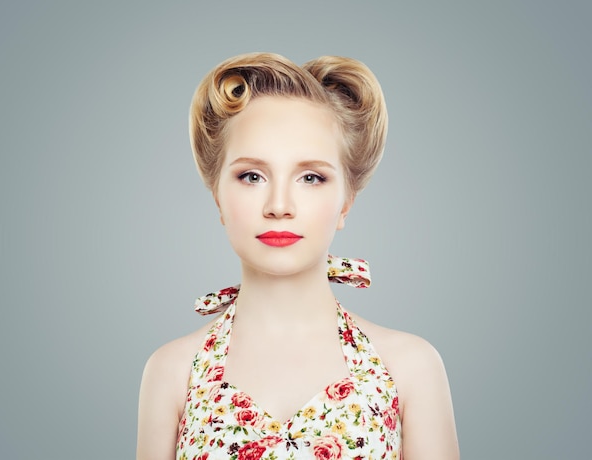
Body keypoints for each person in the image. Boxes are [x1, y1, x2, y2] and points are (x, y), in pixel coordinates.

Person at [136, 52, 459, 460]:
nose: (279, 205)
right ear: (217, 195)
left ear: (346, 201)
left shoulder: (410, 368)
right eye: (251, 176)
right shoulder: (172, 372)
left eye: (311, 177)